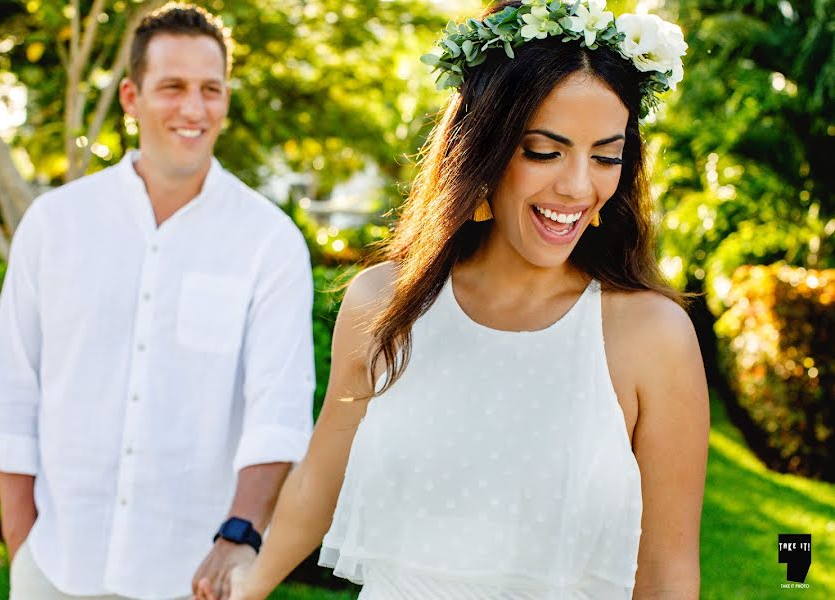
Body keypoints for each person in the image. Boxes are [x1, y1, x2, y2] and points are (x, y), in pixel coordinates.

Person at [228, 1, 709, 599]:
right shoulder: (385, 302)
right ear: (483, 149)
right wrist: (246, 585)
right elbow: (318, 483)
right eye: (544, 151)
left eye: (606, 156)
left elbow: (667, 574)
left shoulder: (651, 336)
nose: (578, 185)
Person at [0, 4, 315, 600]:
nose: (194, 108)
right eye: (173, 87)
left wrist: (239, 534)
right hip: (54, 564)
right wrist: (21, 543)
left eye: (211, 89)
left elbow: (279, 411)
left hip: (191, 578)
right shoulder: (55, 224)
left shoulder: (269, 241)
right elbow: (12, 389)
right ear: (131, 97)